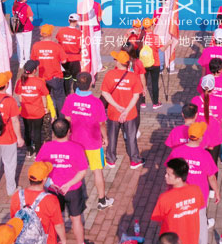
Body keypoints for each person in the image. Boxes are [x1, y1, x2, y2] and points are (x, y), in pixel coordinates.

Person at [62, 71, 114, 210]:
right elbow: (102, 123)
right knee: (97, 170)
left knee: (74, 170)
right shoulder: (96, 102)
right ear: (91, 84)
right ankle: (102, 200)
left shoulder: (70, 99)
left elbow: (67, 119)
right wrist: (105, 137)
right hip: (93, 142)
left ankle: (72, 198)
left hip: (75, 141)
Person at [36, 118, 92, 244]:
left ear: (53, 132)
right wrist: (68, 184)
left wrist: (50, 183)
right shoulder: (77, 148)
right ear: (69, 131)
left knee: (55, 219)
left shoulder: (46, 147)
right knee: (76, 219)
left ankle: (59, 241)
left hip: (53, 189)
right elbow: (82, 171)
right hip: (73, 189)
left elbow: (38, 168)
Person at [166, 123, 220, 244]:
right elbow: (212, 177)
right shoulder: (205, 155)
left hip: (179, 197)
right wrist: (216, 191)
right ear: (200, 138)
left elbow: (169, 172)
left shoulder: (177, 152)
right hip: (198, 199)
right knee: (201, 226)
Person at [101, 50, 144, 169]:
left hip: (114, 112)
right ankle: (134, 160)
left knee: (112, 136)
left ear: (119, 62)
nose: (114, 60)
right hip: (130, 113)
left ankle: (110, 160)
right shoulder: (133, 76)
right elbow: (136, 96)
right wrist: (126, 111)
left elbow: (105, 93)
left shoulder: (110, 74)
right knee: (131, 137)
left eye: (115, 59)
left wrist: (116, 106)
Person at [9, 162, 67, 244]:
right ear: (45, 179)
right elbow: (58, 225)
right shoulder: (50, 199)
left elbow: (14, 219)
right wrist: (63, 240)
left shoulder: (17, 195)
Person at [151, 158, 205, 244]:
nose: (165, 176)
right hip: (192, 239)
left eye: (168, 175)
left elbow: (159, 219)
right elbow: (199, 207)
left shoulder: (165, 198)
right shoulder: (196, 190)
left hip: (171, 240)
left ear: (178, 178)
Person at [14, 60, 55, 158]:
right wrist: (45, 108)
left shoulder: (20, 81)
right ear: (34, 70)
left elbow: (19, 96)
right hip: (38, 111)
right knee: (37, 132)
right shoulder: (39, 82)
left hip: (26, 111)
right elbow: (44, 96)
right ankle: (38, 151)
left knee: (27, 131)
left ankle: (29, 150)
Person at [193, 74, 222, 163]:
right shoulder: (219, 102)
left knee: (201, 161)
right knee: (213, 163)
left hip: (200, 135)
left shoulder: (195, 100)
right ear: (213, 88)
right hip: (215, 135)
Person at [31, 24, 67, 114]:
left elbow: (33, 61)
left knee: (44, 97)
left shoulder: (36, 46)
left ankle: (46, 115)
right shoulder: (57, 46)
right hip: (56, 77)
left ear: (41, 34)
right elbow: (64, 61)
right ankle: (61, 119)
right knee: (59, 98)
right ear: (51, 34)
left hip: (42, 77)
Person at [140, 17, 164, 108]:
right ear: (152, 26)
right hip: (155, 63)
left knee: (143, 82)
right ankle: (155, 103)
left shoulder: (141, 37)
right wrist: (169, 43)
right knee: (154, 83)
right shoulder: (156, 37)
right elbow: (162, 49)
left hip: (143, 63)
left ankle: (142, 102)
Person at [57, 13, 83, 94]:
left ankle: (66, 94)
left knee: (66, 77)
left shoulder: (61, 31)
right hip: (75, 59)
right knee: (76, 78)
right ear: (77, 22)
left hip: (64, 58)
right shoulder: (79, 34)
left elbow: (59, 42)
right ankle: (76, 94)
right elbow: (81, 46)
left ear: (69, 21)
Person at [12, 0, 34, 66]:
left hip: (18, 28)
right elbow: (31, 19)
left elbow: (14, 15)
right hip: (27, 29)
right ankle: (27, 60)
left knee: (19, 45)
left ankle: (21, 62)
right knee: (27, 45)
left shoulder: (15, 5)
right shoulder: (27, 7)